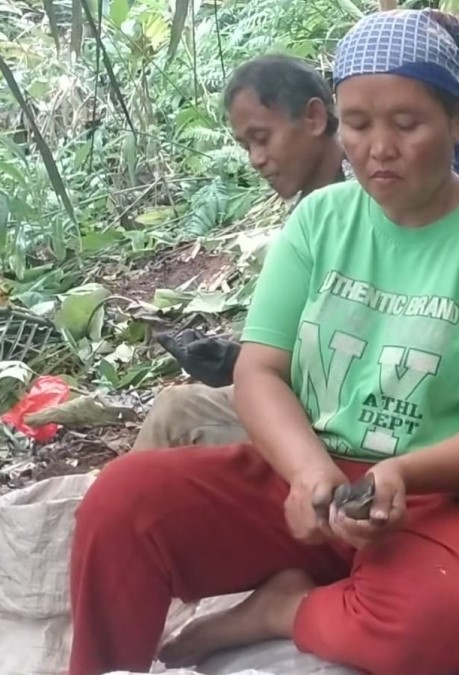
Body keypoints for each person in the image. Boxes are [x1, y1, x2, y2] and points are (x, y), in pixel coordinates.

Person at [66, 9, 459, 675]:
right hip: (317, 474)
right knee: (122, 502)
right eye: (358, 124)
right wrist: (308, 471)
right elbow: (260, 371)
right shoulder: (318, 220)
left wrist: (402, 473)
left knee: (431, 623)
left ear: (458, 120)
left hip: (448, 494)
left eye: (407, 123)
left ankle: (281, 610)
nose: (377, 148)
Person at [134, 54, 352, 452]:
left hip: (344, 419)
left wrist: (246, 366)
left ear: (315, 118)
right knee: (175, 408)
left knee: (176, 415)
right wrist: (235, 359)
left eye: (262, 138)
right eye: (245, 144)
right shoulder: (313, 208)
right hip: (317, 398)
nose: (255, 159)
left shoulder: (360, 202)